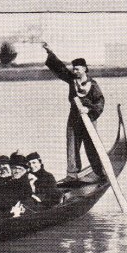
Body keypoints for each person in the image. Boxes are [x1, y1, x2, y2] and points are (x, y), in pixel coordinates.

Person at [42, 42, 105, 182]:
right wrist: (50, 53)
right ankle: (72, 175)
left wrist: (88, 109)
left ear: (84, 69)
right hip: (74, 118)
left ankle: (99, 172)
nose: (75, 71)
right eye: (74, 69)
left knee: (92, 145)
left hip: (88, 118)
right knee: (72, 145)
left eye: (77, 69)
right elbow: (60, 69)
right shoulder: (72, 80)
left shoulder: (93, 85)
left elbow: (100, 102)